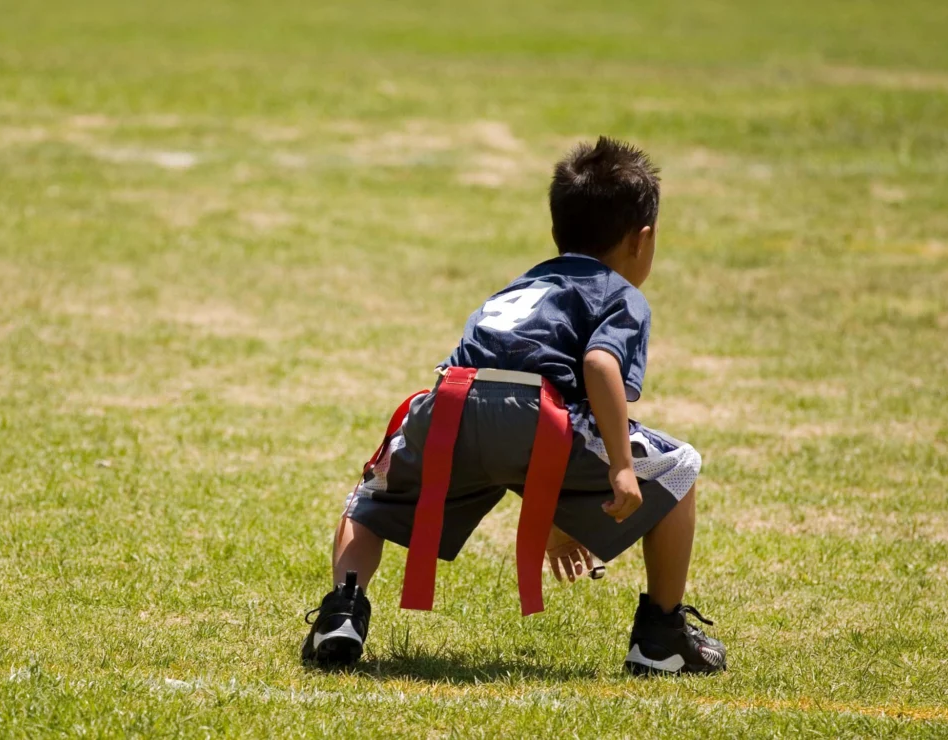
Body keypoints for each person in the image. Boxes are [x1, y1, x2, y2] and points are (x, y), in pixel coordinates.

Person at [301, 137, 727, 675]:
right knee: (680, 468)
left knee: (369, 497)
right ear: (642, 241)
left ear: (558, 233)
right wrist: (620, 467)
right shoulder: (620, 293)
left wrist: (553, 513)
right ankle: (662, 635)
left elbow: (496, 403)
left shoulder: (521, 284)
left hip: (450, 404)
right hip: (535, 417)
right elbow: (596, 369)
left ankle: (343, 608)